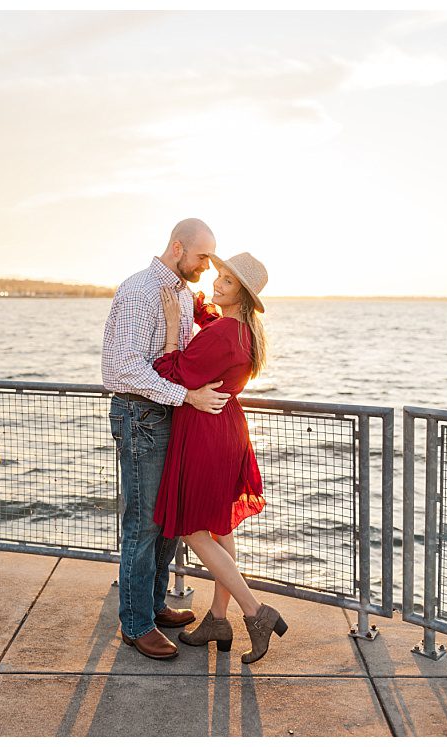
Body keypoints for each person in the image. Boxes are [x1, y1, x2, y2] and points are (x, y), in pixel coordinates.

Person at [101, 218, 231, 660]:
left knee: (167, 519)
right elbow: (120, 368)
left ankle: (153, 608)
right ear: (178, 247)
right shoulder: (139, 291)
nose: (206, 266)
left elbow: (179, 356)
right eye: (202, 257)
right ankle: (135, 625)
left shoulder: (180, 293)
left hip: (169, 414)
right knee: (144, 524)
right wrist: (187, 395)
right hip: (141, 416)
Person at [154, 251, 288, 663]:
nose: (217, 283)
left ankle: (256, 612)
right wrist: (192, 299)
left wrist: (175, 326)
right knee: (220, 527)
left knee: (194, 530)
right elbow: (210, 321)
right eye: (220, 276)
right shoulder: (243, 329)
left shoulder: (224, 333)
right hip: (227, 427)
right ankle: (217, 617)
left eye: (227, 282)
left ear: (242, 295)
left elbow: (171, 371)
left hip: (205, 430)